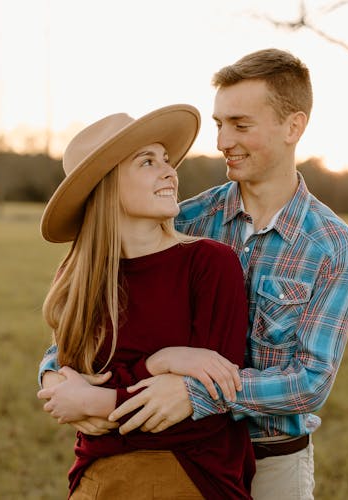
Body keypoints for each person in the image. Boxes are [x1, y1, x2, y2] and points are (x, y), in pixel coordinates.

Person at [35, 103, 255, 499]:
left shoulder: (209, 264)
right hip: (95, 480)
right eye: (147, 162)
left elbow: (208, 409)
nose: (170, 171)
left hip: (190, 477)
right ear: (105, 185)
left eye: (167, 160)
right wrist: (159, 364)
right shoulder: (78, 278)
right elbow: (77, 393)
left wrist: (99, 400)